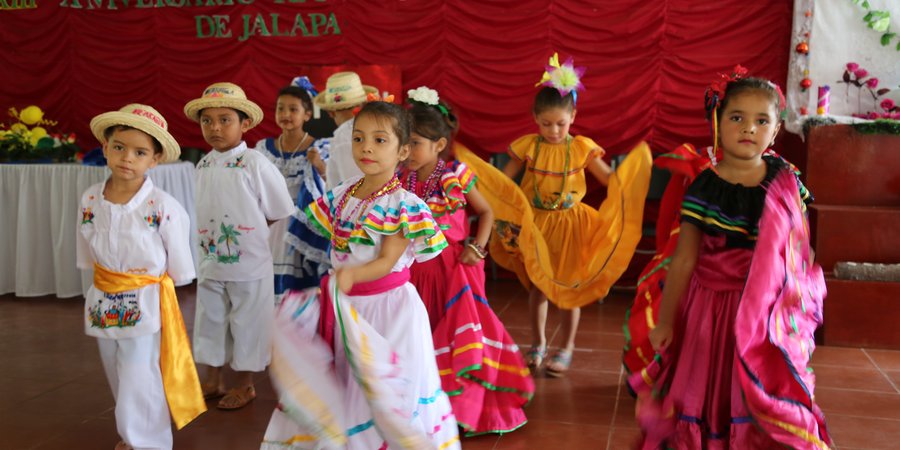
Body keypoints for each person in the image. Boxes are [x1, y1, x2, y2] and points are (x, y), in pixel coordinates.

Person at [628, 67, 831, 448]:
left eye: (761, 121)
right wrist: (667, 321)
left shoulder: (786, 180)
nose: (749, 129)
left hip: (765, 314)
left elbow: (800, 249)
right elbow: (685, 260)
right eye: (737, 118)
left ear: (775, 131)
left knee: (752, 384)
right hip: (710, 308)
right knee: (707, 382)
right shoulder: (706, 185)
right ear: (719, 122)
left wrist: (796, 308)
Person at [261, 101, 460, 450]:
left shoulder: (403, 204)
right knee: (350, 385)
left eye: (380, 140)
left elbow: (386, 260)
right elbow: (324, 244)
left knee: (384, 393)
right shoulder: (342, 193)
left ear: (402, 151)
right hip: (347, 307)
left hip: (388, 311)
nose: (366, 147)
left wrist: (350, 275)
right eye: (359, 138)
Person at [457, 53, 652, 377]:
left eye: (560, 123)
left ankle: (567, 347)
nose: (554, 130)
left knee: (569, 288)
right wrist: (484, 181)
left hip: (573, 224)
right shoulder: (528, 146)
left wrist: (630, 176)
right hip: (537, 225)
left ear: (573, 116)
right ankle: (538, 342)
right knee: (539, 288)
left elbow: (608, 179)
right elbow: (504, 182)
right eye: (546, 123)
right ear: (535, 118)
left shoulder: (581, 147)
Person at [399, 86, 534, 435]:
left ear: (438, 145)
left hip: (451, 269)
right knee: (421, 334)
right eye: (405, 142)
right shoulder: (403, 177)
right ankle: (425, 405)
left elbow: (487, 212)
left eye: (415, 142)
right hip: (415, 269)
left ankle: (463, 409)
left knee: (455, 336)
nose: (408, 150)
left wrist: (478, 246)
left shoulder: (454, 175)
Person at [77, 104, 205, 450]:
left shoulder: (161, 206)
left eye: (140, 152)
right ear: (105, 148)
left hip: (144, 298)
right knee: (115, 368)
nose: (126, 158)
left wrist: (170, 282)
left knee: (139, 372)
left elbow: (178, 260)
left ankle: (149, 441)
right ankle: (131, 433)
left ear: (155, 159)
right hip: (105, 294)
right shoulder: (91, 198)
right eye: (119, 147)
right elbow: (86, 244)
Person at [184, 82, 295, 410]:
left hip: (248, 264)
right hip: (210, 260)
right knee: (211, 319)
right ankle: (213, 378)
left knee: (248, 322)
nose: (215, 128)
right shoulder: (204, 164)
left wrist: (249, 237)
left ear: (244, 123)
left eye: (224, 120)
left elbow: (278, 210)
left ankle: (245, 384)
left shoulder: (254, 163)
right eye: (207, 121)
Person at [253, 76, 331, 302]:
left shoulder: (320, 147)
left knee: (296, 291)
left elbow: (331, 188)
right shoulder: (263, 149)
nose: (286, 114)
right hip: (267, 225)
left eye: (293, 109)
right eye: (281, 108)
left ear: (307, 115)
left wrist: (320, 166)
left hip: (299, 225)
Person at [314, 71, 376, 190]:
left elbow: (352, 186)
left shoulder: (344, 136)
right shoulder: (374, 125)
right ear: (362, 104)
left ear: (330, 113)